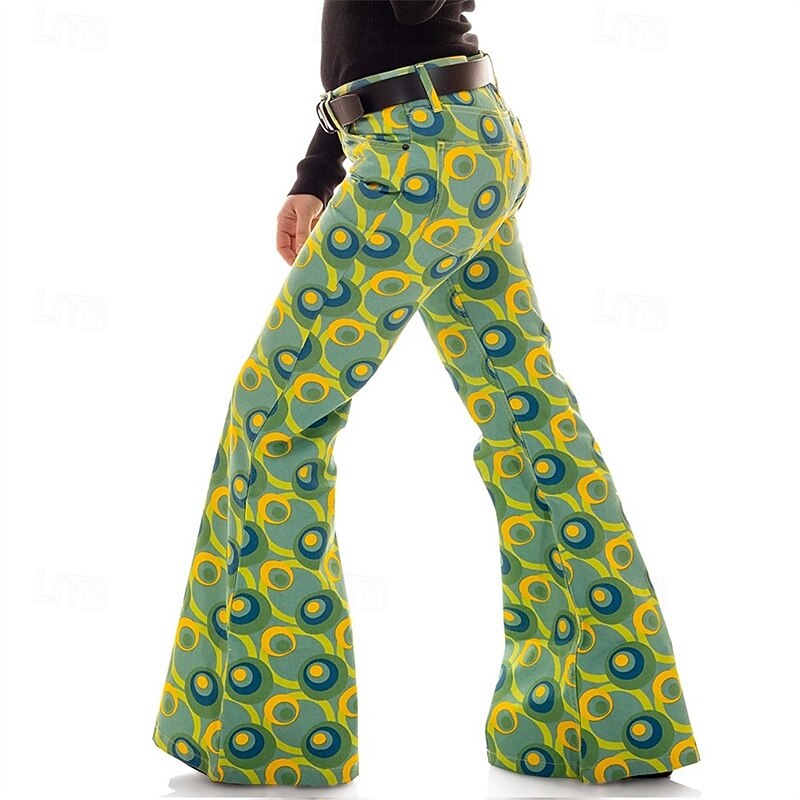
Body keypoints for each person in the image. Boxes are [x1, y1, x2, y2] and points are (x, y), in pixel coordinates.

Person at [152, 0, 700, 787]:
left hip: (424, 153)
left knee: (272, 415)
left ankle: (272, 730)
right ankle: (605, 724)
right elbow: (374, 33)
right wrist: (318, 171)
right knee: (527, 417)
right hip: (446, 139)